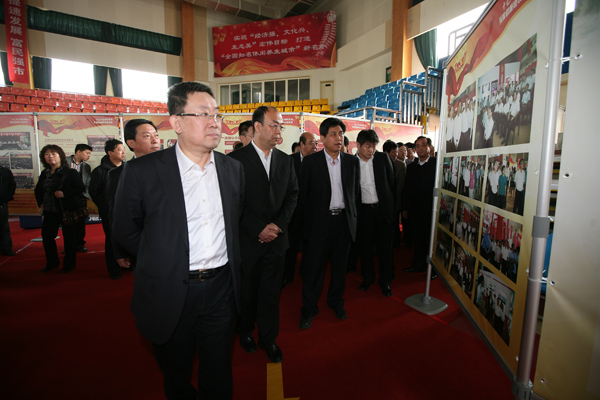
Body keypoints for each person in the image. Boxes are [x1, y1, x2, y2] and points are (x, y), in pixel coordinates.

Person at [113, 82, 244, 400]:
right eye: (203, 114)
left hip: (221, 289)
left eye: (217, 114)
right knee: (176, 374)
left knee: (219, 372)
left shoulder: (233, 169)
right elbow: (125, 229)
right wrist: (162, 259)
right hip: (170, 290)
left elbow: (234, 224)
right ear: (177, 122)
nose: (214, 122)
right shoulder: (142, 171)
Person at [228, 106, 298, 364]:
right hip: (248, 241)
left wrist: (277, 226)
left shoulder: (285, 160)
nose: (279, 130)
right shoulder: (235, 160)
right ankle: (245, 331)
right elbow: (233, 201)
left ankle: (268, 339)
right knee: (247, 292)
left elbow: (292, 196)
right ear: (257, 126)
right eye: (274, 125)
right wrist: (258, 227)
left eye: (281, 126)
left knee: (271, 294)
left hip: (277, 241)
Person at [298, 117, 359, 329]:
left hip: (343, 223)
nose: (338, 138)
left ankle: (336, 302)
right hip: (319, 225)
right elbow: (303, 197)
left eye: (341, 134)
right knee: (314, 270)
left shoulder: (351, 162)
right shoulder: (311, 162)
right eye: (333, 134)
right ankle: (309, 309)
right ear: (323, 138)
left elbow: (354, 194)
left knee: (340, 269)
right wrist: (307, 227)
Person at [107, 119, 160, 271]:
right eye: (147, 136)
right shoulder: (118, 175)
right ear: (131, 143)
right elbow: (116, 216)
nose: (155, 140)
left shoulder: (174, 170)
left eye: (156, 135)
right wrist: (120, 251)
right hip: (140, 246)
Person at [354, 130, 396, 297]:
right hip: (363, 212)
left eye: (373, 146)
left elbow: (391, 183)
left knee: (385, 248)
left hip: (382, 211)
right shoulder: (351, 162)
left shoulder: (382, 159)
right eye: (367, 146)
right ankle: (368, 277)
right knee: (365, 248)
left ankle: (385, 280)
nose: (371, 150)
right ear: (358, 145)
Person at [34, 145, 85, 273]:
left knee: (69, 238)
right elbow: (38, 189)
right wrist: (40, 202)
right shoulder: (45, 173)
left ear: (60, 156)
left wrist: (64, 193)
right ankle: (52, 262)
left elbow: (80, 188)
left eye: (53, 154)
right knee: (47, 237)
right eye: (47, 154)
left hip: (66, 210)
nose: (50, 156)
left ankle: (69, 264)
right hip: (49, 210)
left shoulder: (70, 172)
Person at [282, 132, 319, 287]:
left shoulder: (319, 162)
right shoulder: (289, 161)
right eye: (311, 143)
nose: (315, 147)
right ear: (302, 145)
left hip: (312, 212)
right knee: (291, 245)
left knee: (310, 246)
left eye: (316, 143)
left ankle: (307, 273)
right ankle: (287, 275)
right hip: (294, 212)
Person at [89, 139, 126, 280]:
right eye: (120, 150)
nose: (123, 152)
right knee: (111, 240)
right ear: (110, 153)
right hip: (109, 212)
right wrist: (106, 206)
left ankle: (128, 264)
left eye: (123, 149)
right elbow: (94, 192)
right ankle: (114, 269)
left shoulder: (128, 168)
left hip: (127, 212)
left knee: (127, 237)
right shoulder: (99, 171)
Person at [401, 136, 437, 280]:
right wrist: (405, 207)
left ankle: (433, 269)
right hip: (415, 210)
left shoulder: (436, 165)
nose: (420, 148)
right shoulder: (411, 167)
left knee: (430, 240)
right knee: (418, 238)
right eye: (417, 146)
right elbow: (407, 189)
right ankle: (418, 265)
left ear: (429, 147)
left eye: (423, 145)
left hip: (431, 210)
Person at [66, 144, 92, 253]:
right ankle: (69, 246)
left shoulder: (86, 166)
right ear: (78, 152)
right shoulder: (64, 162)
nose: (88, 156)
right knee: (68, 222)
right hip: (66, 197)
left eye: (89, 154)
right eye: (87, 153)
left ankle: (80, 244)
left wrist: (85, 196)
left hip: (80, 198)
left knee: (81, 222)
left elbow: (88, 182)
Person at [0, 165, 16, 256]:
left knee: (4, 227)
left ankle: (6, 248)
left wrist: (7, 198)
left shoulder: (5, 171)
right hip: (3, 203)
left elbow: (12, 185)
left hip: (2, 204)